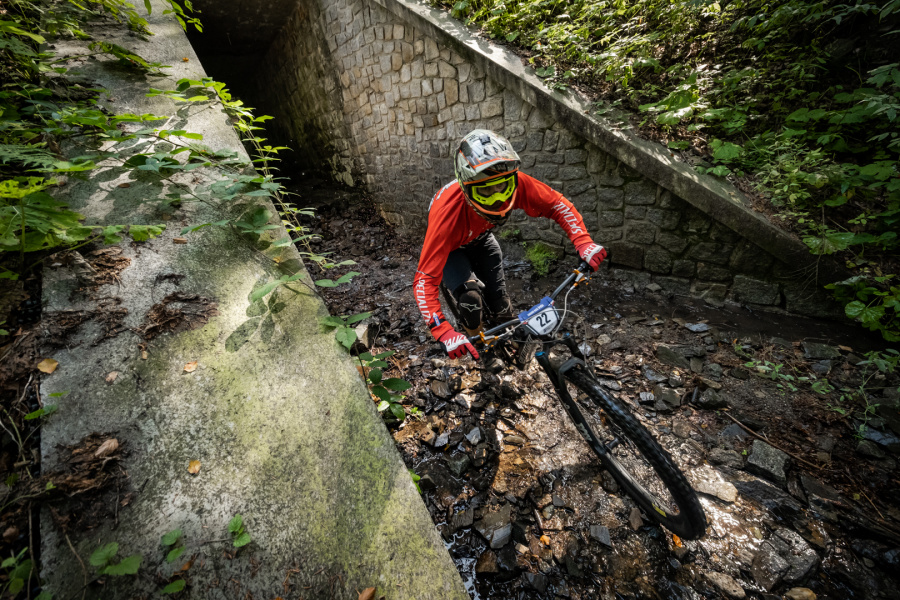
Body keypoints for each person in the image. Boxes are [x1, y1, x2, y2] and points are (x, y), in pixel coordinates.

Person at [414, 129, 607, 368]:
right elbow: (424, 281)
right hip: (452, 247)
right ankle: (480, 344)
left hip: (482, 238)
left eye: (502, 187)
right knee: (470, 298)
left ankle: (507, 335)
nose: (497, 198)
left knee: (501, 304)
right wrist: (443, 331)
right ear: (467, 188)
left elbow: (557, 204)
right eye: (485, 191)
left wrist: (583, 241)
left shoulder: (516, 181)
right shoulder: (447, 214)